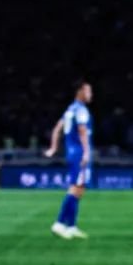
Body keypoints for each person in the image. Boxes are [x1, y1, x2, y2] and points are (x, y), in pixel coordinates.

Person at [46, 80, 93, 240]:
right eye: (88, 91)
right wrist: (86, 152)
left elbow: (57, 128)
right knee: (75, 188)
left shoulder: (70, 109)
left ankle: (72, 226)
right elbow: (82, 131)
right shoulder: (81, 110)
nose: (90, 94)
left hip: (72, 152)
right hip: (79, 153)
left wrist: (53, 147)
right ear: (80, 92)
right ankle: (59, 223)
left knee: (79, 189)